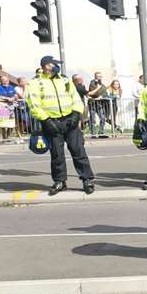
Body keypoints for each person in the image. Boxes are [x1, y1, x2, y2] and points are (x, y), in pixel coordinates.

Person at [28, 55, 94, 195]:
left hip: (69, 120)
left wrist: (76, 114)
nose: (57, 66)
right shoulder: (35, 83)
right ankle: (60, 181)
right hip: (51, 122)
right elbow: (34, 105)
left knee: (78, 151)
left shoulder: (64, 79)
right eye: (55, 64)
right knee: (57, 155)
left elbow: (75, 98)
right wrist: (46, 120)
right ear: (46, 66)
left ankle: (87, 179)